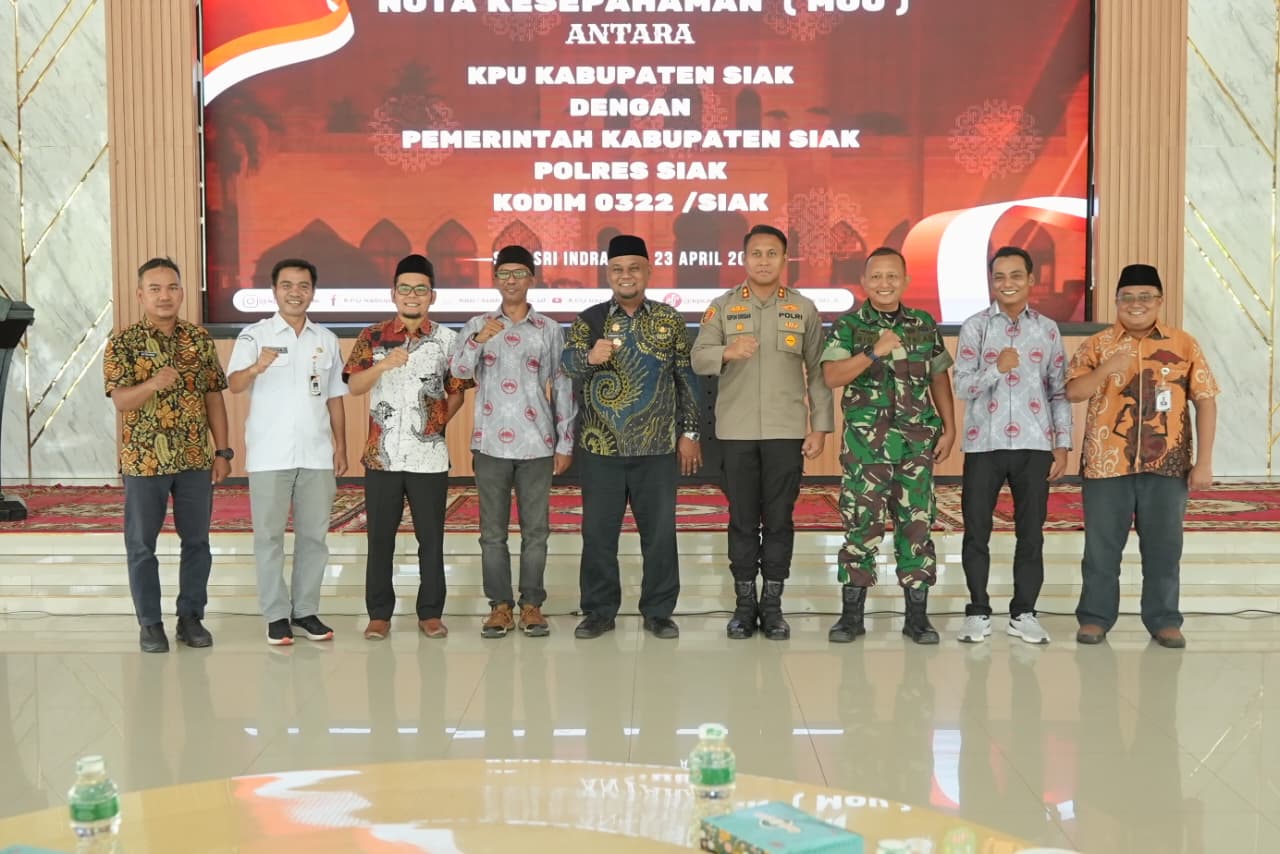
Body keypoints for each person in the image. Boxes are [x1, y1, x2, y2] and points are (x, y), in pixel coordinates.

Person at [691, 224, 834, 640]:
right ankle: (743, 607)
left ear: (784, 259)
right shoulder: (722, 307)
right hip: (735, 432)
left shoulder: (803, 308)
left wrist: (820, 426)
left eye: (772, 253)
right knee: (741, 519)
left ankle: (772, 607)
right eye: (756, 253)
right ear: (744, 259)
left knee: (778, 520)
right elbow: (698, 357)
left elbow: (818, 371)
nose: (764, 261)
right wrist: (726, 351)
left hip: (785, 431)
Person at [1066, 263, 1218, 649]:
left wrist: (1204, 461)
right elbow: (1074, 392)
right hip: (1106, 464)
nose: (1136, 304)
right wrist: (1107, 368)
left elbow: (1205, 400)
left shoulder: (1183, 344)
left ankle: (1164, 619)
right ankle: (1095, 618)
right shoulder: (1097, 344)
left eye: (1145, 296)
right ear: (1116, 301)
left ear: (1159, 301)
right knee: (1101, 549)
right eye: (1128, 297)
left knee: (1164, 548)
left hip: (1167, 464)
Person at [561, 234, 701, 640]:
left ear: (648, 272)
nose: (626, 276)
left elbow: (686, 379)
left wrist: (690, 432)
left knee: (659, 535)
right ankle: (599, 611)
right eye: (618, 269)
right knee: (598, 535)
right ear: (608, 274)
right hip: (600, 448)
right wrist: (589, 356)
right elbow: (566, 365)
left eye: (634, 268)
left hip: (656, 448)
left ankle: (658, 611)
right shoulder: (589, 320)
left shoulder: (670, 320)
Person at [820, 246, 956, 645]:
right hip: (867, 449)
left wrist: (949, 428)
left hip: (916, 447)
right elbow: (831, 376)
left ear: (906, 281)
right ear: (864, 282)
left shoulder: (923, 323)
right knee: (861, 527)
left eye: (892, 276)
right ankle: (851, 617)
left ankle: (917, 618)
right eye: (876, 276)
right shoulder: (849, 326)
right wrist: (873, 351)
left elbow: (938, 377)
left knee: (917, 527)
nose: (884, 283)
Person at [103, 257, 230, 653]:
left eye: (172, 288)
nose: (164, 296)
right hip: (145, 461)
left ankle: (191, 618)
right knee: (142, 545)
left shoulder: (199, 339)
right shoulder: (123, 343)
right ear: (140, 295)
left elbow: (214, 396)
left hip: (194, 459)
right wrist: (152, 384)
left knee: (197, 542)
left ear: (182, 293)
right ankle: (150, 624)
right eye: (155, 289)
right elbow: (121, 401)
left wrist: (222, 451)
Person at [450, 245, 576, 639]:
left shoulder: (549, 329)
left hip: (537, 443)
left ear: (531, 280)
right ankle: (500, 607)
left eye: (519, 273)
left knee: (536, 531)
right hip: (490, 445)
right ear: (495, 280)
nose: (511, 280)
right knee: (492, 533)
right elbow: (457, 372)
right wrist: (477, 341)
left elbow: (563, 385)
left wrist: (565, 442)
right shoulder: (478, 324)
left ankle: (532, 604)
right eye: (504, 273)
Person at [344, 254, 471, 641]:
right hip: (381, 457)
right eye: (405, 288)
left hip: (428, 458)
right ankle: (379, 614)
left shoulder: (449, 340)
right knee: (379, 538)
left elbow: (457, 392)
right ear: (393, 293)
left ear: (432, 295)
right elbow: (354, 386)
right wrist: (382, 366)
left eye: (420, 289)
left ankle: (430, 613)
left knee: (430, 539)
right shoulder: (373, 336)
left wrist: (435, 424)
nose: (412, 295)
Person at [953, 246, 1072, 645]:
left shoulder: (1048, 329)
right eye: (999, 277)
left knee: (1031, 533)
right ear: (992, 282)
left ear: (1031, 280)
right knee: (976, 532)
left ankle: (1024, 613)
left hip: (1034, 444)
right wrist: (995, 369)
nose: (1007, 283)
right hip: (983, 445)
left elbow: (1058, 391)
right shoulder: (975, 326)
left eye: (1016, 276)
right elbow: (961, 385)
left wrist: (1062, 444)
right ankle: (977, 611)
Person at [226, 258, 348, 646]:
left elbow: (335, 397)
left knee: (314, 538)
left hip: (316, 454)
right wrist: (255, 368)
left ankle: (306, 611)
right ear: (274, 290)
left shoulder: (326, 339)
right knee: (269, 538)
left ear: (313, 292)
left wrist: (340, 447)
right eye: (287, 285)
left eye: (303, 286)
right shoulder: (254, 336)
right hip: (269, 454)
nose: (295, 292)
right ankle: (276, 615)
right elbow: (234, 384)